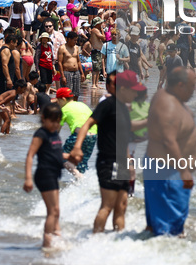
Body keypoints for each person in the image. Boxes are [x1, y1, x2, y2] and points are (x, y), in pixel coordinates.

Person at [70, 71, 144, 233]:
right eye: (133, 90)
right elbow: (87, 124)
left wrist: (129, 162)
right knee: (108, 205)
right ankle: (95, 240)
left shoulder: (124, 108)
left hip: (122, 162)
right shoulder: (107, 104)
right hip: (108, 161)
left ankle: (118, 242)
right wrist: (77, 147)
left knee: (122, 206)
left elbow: (123, 136)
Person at [144, 67, 196, 236]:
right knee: (168, 231)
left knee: (164, 226)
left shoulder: (170, 97)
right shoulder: (167, 104)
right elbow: (169, 140)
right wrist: (184, 170)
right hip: (167, 172)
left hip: (167, 171)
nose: (195, 89)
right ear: (181, 85)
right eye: (192, 85)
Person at [23, 103, 68, 248]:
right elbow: (30, 155)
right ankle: (47, 242)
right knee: (52, 211)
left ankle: (57, 233)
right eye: (53, 121)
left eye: (58, 121)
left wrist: (71, 156)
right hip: (44, 174)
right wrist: (28, 178)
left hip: (53, 174)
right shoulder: (41, 133)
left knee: (56, 210)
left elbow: (56, 154)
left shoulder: (54, 133)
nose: (56, 124)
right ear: (43, 118)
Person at [57, 87, 97, 174]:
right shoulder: (83, 105)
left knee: (60, 157)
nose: (58, 103)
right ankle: (84, 181)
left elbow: (56, 132)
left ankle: (79, 177)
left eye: (58, 101)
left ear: (63, 99)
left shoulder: (64, 109)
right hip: (93, 136)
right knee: (82, 163)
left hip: (78, 135)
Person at [58, 31, 84, 100]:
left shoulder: (76, 48)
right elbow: (60, 63)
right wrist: (62, 76)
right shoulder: (62, 48)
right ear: (69, 39)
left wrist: (82, 73)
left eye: (76, 40)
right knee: (67, 93)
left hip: (76, 72)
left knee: (76, 93)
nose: (76, 42)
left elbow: (78, 61)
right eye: (74, 40)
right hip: (67, 72)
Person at [0, 34, 18, 99]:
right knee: (3, 99)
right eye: (15, 43)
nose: (16, 45)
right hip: (4, 80)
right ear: (11, 42)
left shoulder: (7, 50)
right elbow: (4, 65)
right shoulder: (6, 50)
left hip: (6, 79)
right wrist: (8, 79)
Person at [90, 17, 106, 89]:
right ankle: (93, 84)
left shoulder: (96, 30)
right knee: (95, 68)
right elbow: (103, 38)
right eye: (100, 23)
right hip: (96, 51)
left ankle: (96, 83)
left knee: (98, 68)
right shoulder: (95, 30)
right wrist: (102, 30)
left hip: (99, 51)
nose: (101, 24)